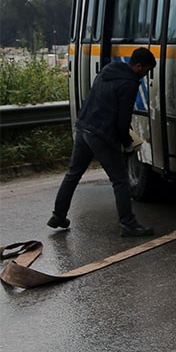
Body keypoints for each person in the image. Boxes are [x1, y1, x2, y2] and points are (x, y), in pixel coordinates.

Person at [48, 47, 157, 237]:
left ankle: (58, 215)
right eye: (146, 70)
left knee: (73, 174)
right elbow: (122, 121)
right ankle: (129, 224)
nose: (145, 75)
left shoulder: (108, 70)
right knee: (120, 180)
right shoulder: (129, 84)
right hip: (101, 135)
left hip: (84, 127)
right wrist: (128, 144)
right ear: (138, 66)